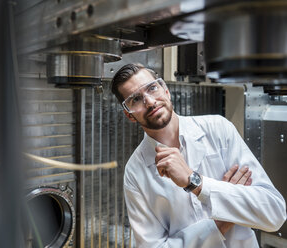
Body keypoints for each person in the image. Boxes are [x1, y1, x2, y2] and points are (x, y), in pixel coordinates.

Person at [110, 63, 286, 248]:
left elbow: (274, 214)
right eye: (136, 99)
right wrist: (222, 220)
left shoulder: (218, 129)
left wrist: (196, 183)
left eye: (152, 88)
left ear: (166, 90)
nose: (150, 102)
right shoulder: (135, 172)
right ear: (129, 115)